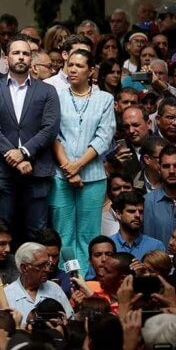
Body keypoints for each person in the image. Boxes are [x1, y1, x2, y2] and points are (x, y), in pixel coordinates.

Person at [0, 36, 61, 240]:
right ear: (6, 59)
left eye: (25, 53)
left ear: (31, 59)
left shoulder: (47, 91)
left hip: (37, 169)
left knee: (37, 232)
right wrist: (14, 157)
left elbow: (50, 128)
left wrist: (23, 152)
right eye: (16, 53)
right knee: (1, 232)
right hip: (1, 171)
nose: (21, 57)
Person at [50, 48, 116, 273]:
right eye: (70, 65)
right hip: (61, 175)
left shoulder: (105, 99)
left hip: (93, 176)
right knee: (63, 232)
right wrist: (68, 168)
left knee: (89, 233)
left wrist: (76, 166)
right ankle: (68, 278)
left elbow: (104, 137)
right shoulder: (56, 96)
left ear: (91, 71)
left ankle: (88, 279)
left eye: (79, 66)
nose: (73, 70)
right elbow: (53, 134)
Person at [0, 242, 73, 324]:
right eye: (41, 265)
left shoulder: (55, 289)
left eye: (47, 264)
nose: (47, 269)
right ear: (25, 268)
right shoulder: (6, 295)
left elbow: (71, 320)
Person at [109, 191, 165, 259]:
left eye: (141, 212)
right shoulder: (107, 246)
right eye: (131, 211)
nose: (138, 215)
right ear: (118, 214)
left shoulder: (156, 247)